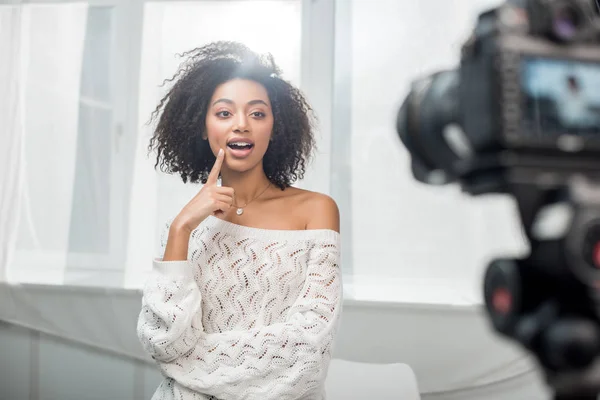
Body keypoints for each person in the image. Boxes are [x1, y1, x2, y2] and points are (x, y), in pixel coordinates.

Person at [136, 41, 342, 400]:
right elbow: (163, 342)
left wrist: (188, 365)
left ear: (275, 128)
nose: (242, 125)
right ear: (203, 127)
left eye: (258, 114)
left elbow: (307, 353)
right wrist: (181, 228)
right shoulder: (185, 224)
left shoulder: (316, 210)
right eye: (224, 113)